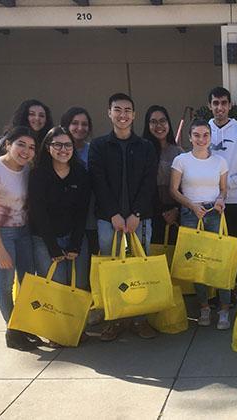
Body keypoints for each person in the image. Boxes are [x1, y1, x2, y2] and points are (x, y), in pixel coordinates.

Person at [89, 92, 158, 341]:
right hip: (109, 220)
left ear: (134, 115)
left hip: (140, 218)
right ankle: (115, 319)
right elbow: (98, 182)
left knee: (141, 267)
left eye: (127, 110)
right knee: (111, 269)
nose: (123, 115)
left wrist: (136, 213)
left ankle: (141, 318)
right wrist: (114, 214)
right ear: (109, 113)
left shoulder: (146, 147)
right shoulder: (98, 146)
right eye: (117, 110)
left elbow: (148, 183)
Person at [28, 126, 91, 346]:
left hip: (74, 237)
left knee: (79, 285)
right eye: (57, 145)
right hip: (45, 240)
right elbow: (38, 213)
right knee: (55, 287)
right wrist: (52, 247)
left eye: (68, 145)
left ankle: (75, 329)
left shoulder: (81, 173)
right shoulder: (38, 174)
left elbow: (82, 211)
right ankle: (56, 332)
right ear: (47, 147)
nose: (63, 149)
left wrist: (75, 244)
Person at [0, 126, 37, 351]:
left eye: (31, 147)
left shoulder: (26, 169)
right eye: (20, 144)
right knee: (5, 283)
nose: (26, 151)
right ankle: (12, 331)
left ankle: (24, 325)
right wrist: (0, 249)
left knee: (27, 279)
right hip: (0, 233)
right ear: (8, 145)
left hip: (23, 231)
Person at [170, 119, 230, 329]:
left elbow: (223, 189)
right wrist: (192, 206)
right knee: (197, 264)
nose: (201, 139)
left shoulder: (220, 162)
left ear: (210, 137)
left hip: (213, 213)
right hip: (190, 214)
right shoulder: (181, 160)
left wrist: (221, 199)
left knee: (219, 263)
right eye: (196, 135)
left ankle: (224, 309)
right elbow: (174, 190)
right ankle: (204, 307)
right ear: (190, 137)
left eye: (205, 135)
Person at [207, 86, 237, 281]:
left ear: (230, 105)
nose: (220, 107)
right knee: (210, 248)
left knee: (232, 244)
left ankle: (232, 285)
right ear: (209, 105)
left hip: (232, 201)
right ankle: (211, 290)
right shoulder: (202, 130)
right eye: (215, 103)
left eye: (224, 103)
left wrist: (227, 185)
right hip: (205, 201)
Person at [60, 107, 99, 255]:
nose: (80, 128)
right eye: (75, 123)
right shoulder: (58, 150)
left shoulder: (94, 150)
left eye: (84, 124)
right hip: (64, 217)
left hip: (90, 216)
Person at [142, 105, 183, 246]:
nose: (158, 125)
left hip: (177, 213)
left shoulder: (178, 152)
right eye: (153, 121)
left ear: (168, 123)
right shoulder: (142, 151)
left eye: (162, 121)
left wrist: (176, 209)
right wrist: (162, 212)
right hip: (151, 214)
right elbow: (143, 186)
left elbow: (185, 185)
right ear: (147, 125)